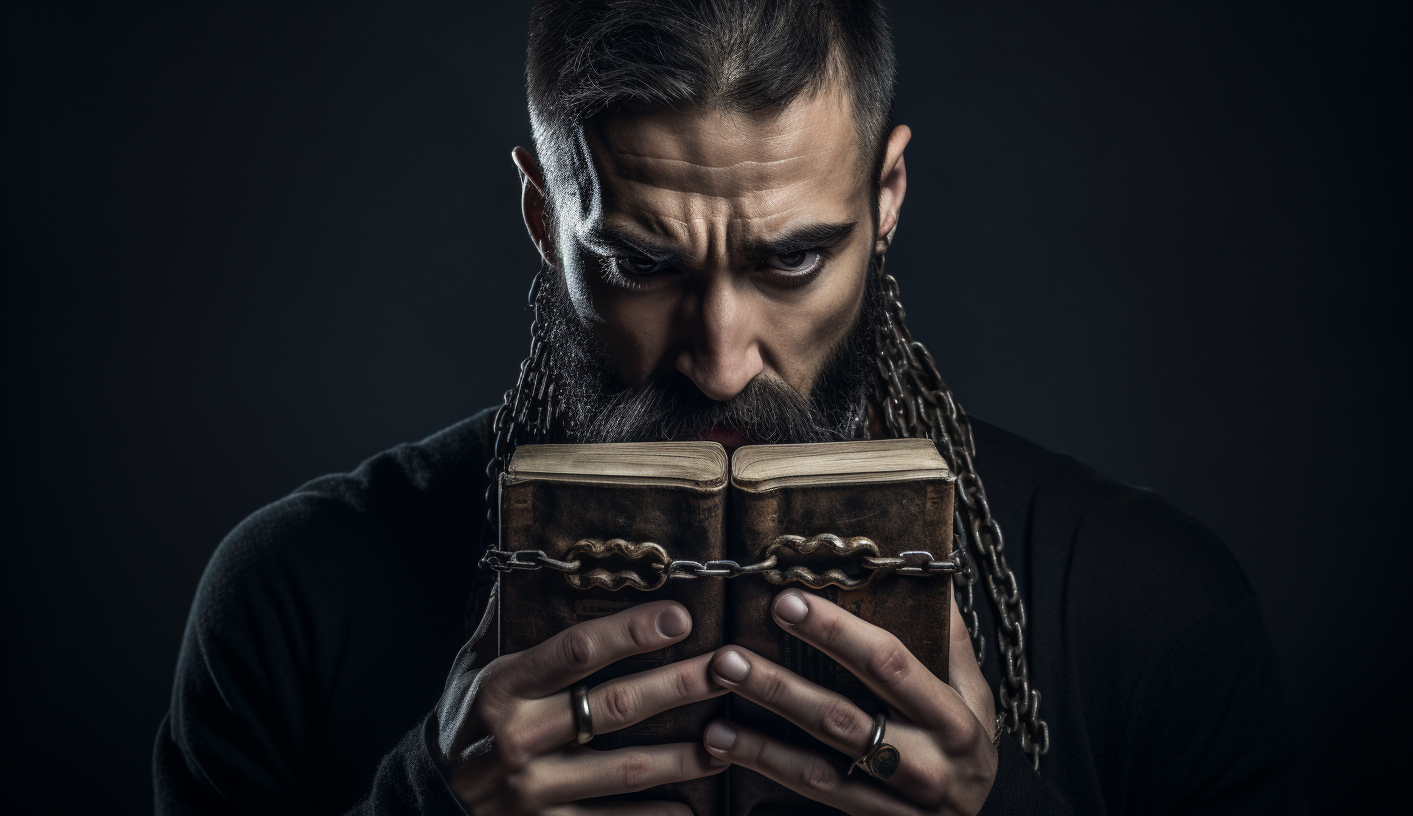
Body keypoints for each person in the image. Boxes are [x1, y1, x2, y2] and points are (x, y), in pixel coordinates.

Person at [154, 1, 1304, 814]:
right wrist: (427, 808)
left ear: (886, 194)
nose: (719, 358)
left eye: (793, 262)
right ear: (541, 216)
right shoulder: (294, 594)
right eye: (641, 264)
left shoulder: (1150, 605)